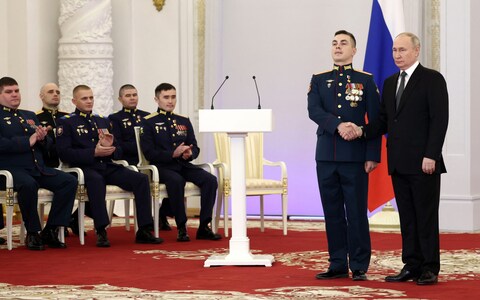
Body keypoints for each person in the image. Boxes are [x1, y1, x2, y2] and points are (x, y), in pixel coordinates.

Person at [348, 32, 449, 285]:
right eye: (394, 50)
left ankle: (429, 268)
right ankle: (411, 265)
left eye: (402, 50)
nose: (397, 55)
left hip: (424, 163)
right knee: (407, 216)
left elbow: (440, 121)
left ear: (416, 51)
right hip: (399, 162)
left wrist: (431, 155)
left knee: (425, 216)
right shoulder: (391, 82)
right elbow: (383, 121)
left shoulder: (432, 79)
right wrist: (361, 131)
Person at [307, 30, 381, 281]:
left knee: (357, 212)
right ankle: (337, 262)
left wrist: (372, 154)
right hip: (327, 155)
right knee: (332, 212)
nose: (338, 47)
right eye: (334, 43)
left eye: (344, 43)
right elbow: (314, 110)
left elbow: (376, 120)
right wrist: (338, 125)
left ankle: (359, 264)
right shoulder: (318, 79)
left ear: (354, 50)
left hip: (355, 157)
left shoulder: (366, 80)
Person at [56, 84, 163, 247]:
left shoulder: (102, 120)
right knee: (96, 180)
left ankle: (144, 230)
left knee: (140, 179)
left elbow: (118, 150)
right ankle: (101, 230)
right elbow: (64, 154)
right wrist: (93, 152)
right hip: (83, 169)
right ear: (74, 101)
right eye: (84, 98)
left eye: (91, 97)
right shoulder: (66, 123)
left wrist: (111, 148)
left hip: (106, 164)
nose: (89, 101)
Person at [0, 76, 78, 250]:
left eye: (16, 91)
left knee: (69, 181)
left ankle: (51, 229)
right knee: (28, 184)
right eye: (9, 92)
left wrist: (43, 139)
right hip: (10, 171)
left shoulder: (29, 116)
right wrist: (28, 141)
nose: (14, 95)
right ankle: (33, 232)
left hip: (36, 168)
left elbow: (46, 146)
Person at [140, 83, 221, 242]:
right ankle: (182, 227)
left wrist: (190, 154)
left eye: (173, 97)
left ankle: (204, 226)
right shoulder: (148, 122)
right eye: (166, 97)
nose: (170, 101)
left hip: (182, 164)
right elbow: (149, 152)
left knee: (210, 180)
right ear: (157, 99)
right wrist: (172, 154)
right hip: (161, 167)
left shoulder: (183, 120)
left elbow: (195, 146)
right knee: (177, 181)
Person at [108, 84, 173, 231]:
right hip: (129, 162)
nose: (132, 98)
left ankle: (162, 213)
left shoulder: (147, 116)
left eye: (134, 95)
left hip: (151, 160)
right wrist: (141, 145)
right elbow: (119, 145)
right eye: (128, 95)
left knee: (174, 174)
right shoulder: (115, 118)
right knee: (141, 177)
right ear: (120, 99)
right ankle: (146, 222)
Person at [36, 83, 68, 168]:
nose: (55, 94)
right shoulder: (36, 117)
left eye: (58, 92)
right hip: (48, 164)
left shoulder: (67, 117)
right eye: (50, 92)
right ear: (41, 96)